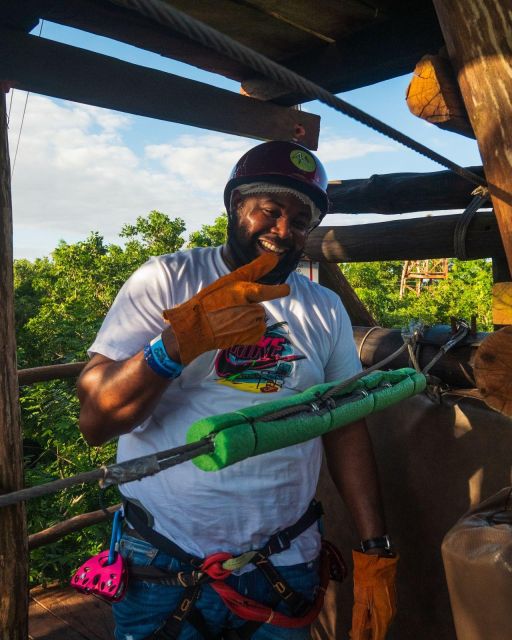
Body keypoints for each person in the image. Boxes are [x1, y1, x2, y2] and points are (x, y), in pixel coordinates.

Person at [78, 141, 397, 640]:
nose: (283, 230)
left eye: (300, 220)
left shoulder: (324, 307)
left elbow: (344, 426)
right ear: (234, 208)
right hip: (164, 560)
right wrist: (175, 345)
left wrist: (374, 547)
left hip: (284, 562)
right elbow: (96, 421)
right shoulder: (167, 280)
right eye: (269, 211)